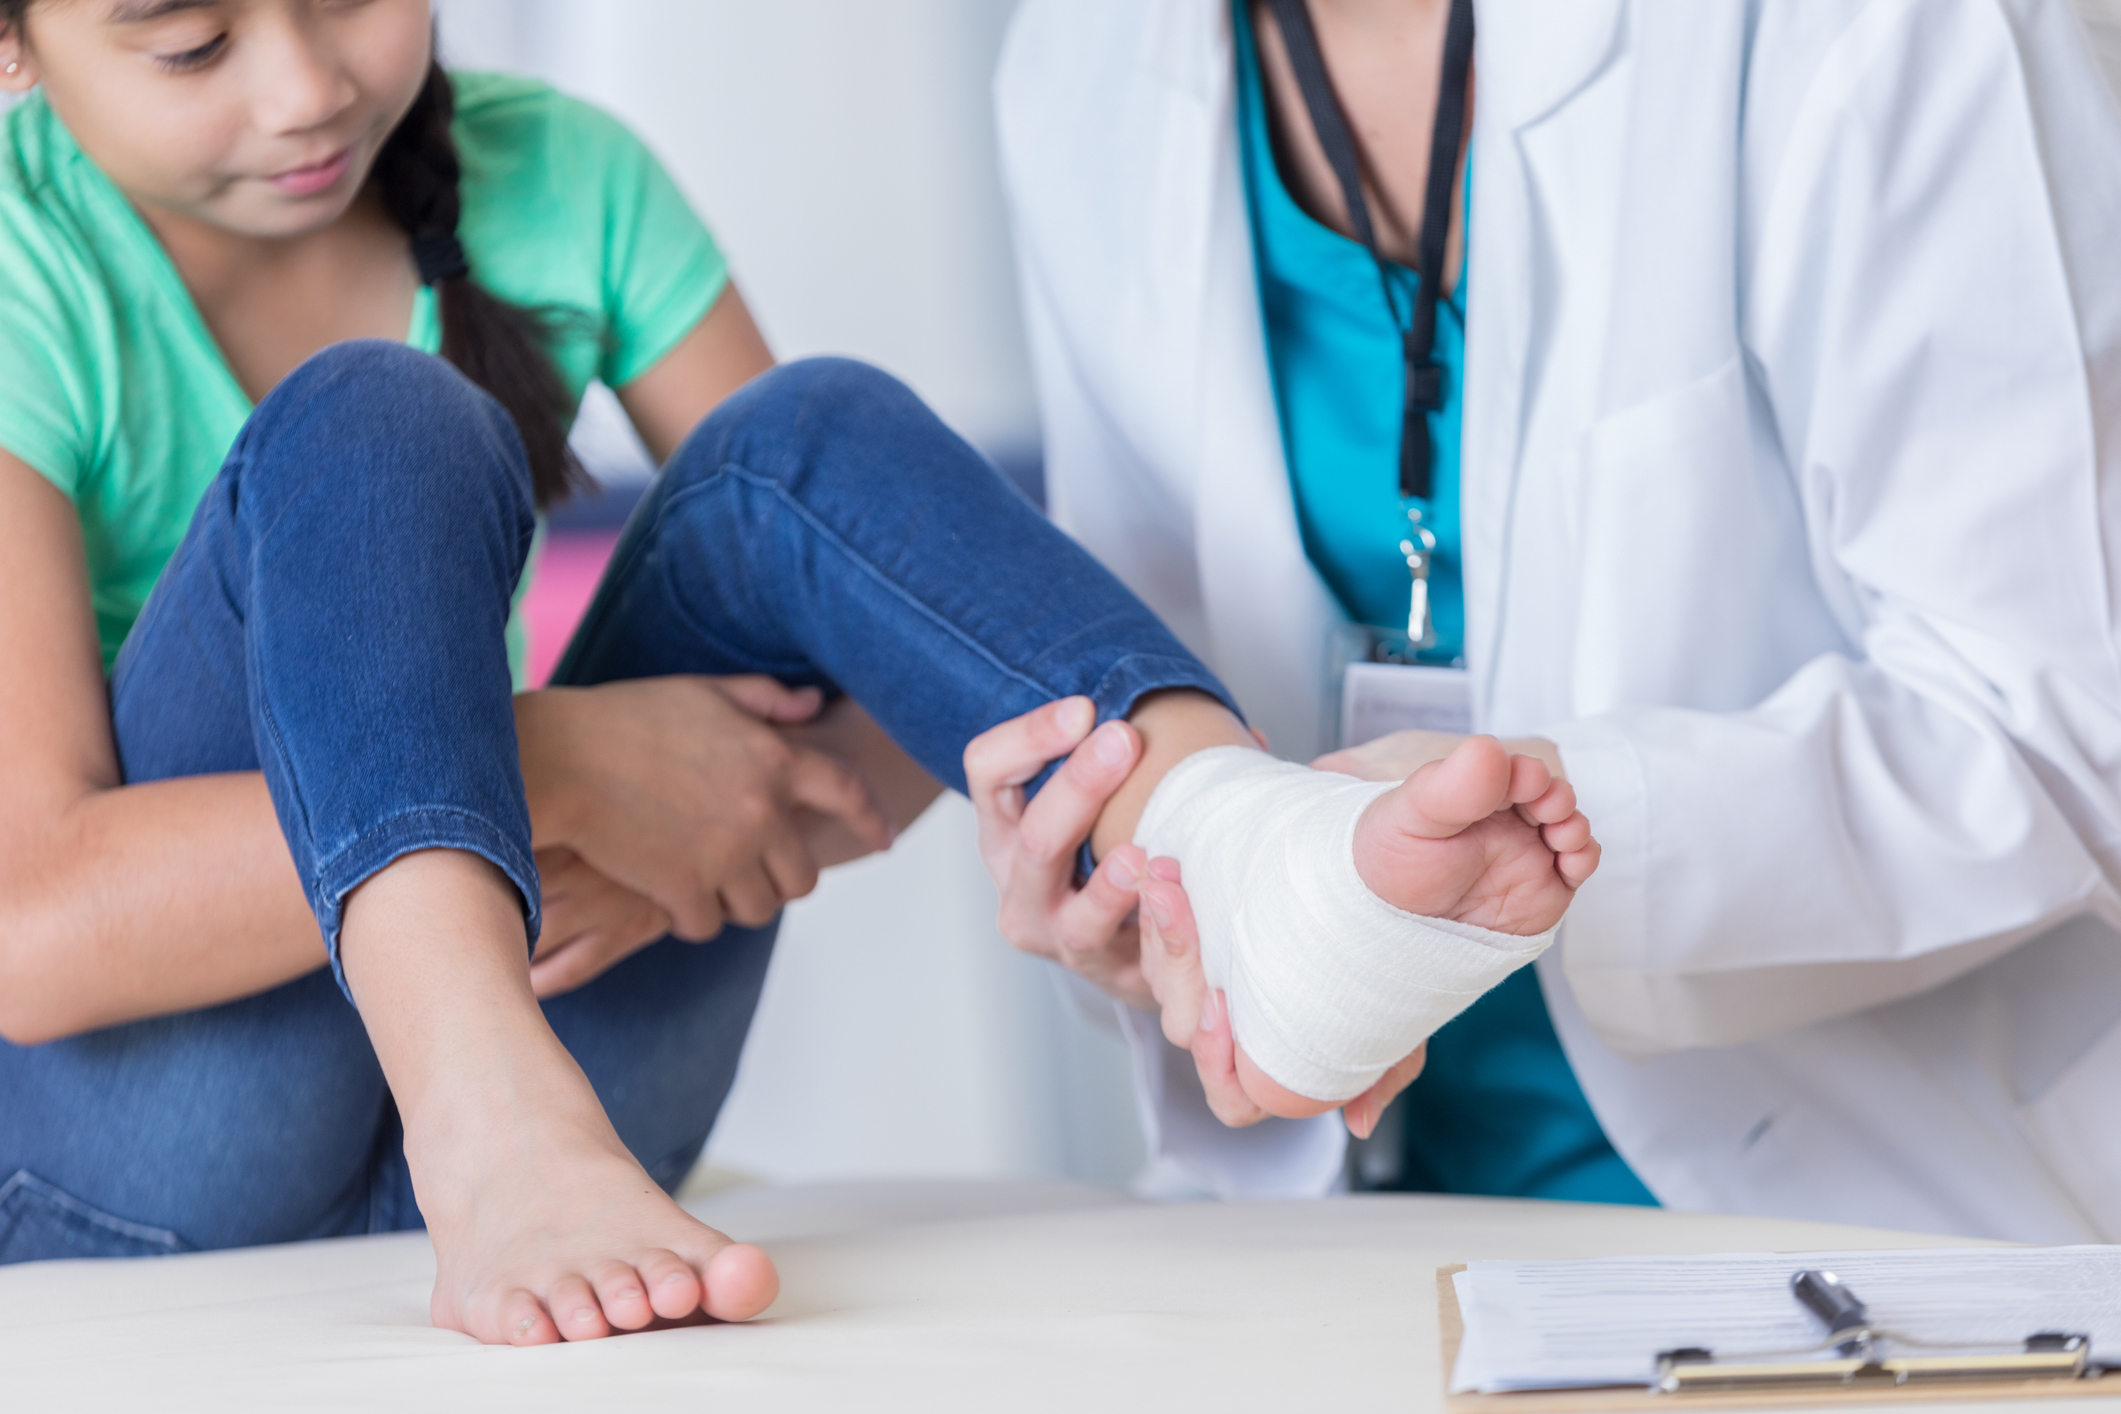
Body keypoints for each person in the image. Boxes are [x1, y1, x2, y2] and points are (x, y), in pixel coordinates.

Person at [0, 0, 1596, 1346]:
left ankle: (1236, 845)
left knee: (800, 434)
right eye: (192, 42)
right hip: (159, 1153)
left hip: (582, 1039)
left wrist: (669, 784)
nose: (304, 86)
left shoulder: (561, 175)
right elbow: (33, 923)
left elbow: (870, 662)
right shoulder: (26, 265)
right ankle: (480, 1105)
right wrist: (560, 774)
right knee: (378, 416)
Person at [986, 0, 2121, 1241]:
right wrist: (1157, 885)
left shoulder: (1881, 27)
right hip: (1361, 1214)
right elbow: (1173, 681)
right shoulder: (1081, 55)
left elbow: (2057, 723)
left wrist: (1547, 819)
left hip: (1869, 1204)